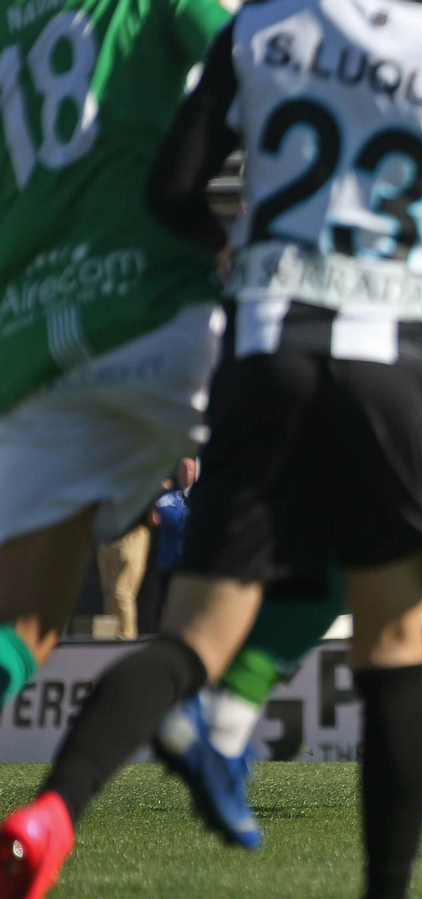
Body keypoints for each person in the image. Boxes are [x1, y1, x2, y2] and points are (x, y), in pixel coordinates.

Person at [0, 0, 422, 892]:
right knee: (394, 643)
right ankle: (328, 823)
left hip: (255, 353)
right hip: (386, 369)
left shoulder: (267, 30)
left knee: (174, 633)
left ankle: (54, 811)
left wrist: (242, 253)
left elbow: (173, 187)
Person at [0, 0, 229, 764]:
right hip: (154, 311)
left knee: (26, 622)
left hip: (34, 340)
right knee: (343, 484)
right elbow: (261, 69)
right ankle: (208, 704)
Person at [149, 458, 199, 620]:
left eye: (190, 470)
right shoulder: (166, 497)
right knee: (166, 605)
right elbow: (164, 517)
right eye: (183, 469)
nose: (187, 473)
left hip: (193, 562)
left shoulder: (202, 496)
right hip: (169, 562)